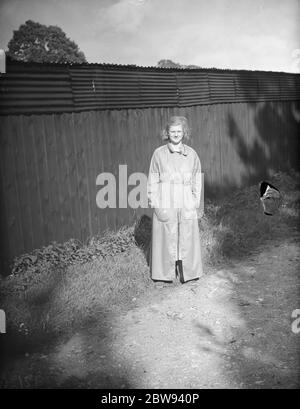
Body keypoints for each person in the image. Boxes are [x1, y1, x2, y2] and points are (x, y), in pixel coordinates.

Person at [147, 116, 203, 284]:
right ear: (167, 133)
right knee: (166, 236)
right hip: (166, 199)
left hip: (186, 200)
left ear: (184, 132)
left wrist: (194, 201)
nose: (176, 134)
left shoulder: (192, 154)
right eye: (173, 131)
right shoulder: (158, 154)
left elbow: (196, 179)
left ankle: (189, 271)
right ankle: (164, 274)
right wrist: (155, 202)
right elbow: (152, 179)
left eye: (179, 131)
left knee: (186, 236)